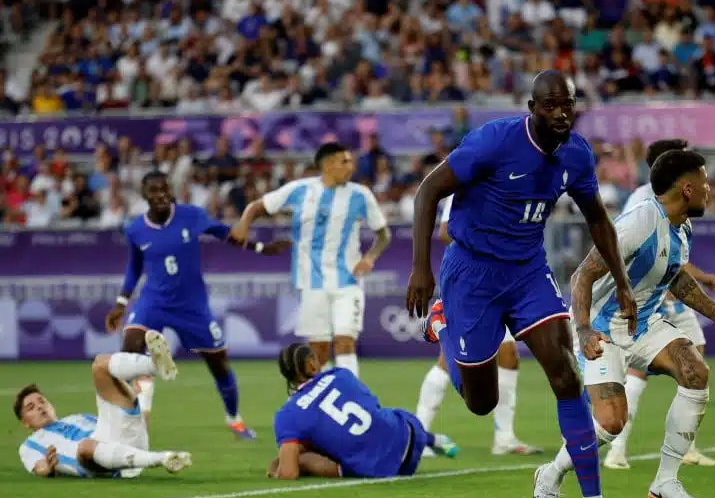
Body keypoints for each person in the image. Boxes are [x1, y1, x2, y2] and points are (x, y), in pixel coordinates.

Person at [406, 70, 637, 498]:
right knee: (480, 401)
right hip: (470, 273)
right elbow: (429, 189)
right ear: (531, 108)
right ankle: (443, 327)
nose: (560, 113)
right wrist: (421, 269)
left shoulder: (576, 153)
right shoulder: (493, 142)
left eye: (567, 104)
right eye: (550, 105)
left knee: (565, 374)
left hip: (528, 272)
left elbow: (598, 219)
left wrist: (622, 281)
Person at [532, 150, 715, 498]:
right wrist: (581, 330)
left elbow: (675, 277)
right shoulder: (642, 220)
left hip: (643, 324)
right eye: (706, 182)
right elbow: (583, 274)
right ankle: (550, 474)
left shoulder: (681, 228)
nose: (710, 190)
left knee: (695, 371)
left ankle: (665, 482)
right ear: (688, 187)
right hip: (603, 327)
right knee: (611, 423)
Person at [105, 171, 290, 440]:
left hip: (192, 306)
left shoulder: (191, 216)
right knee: (130, 352)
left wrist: (262, 248)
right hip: (153, 302)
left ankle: (234, 419)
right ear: (144, 196)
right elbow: (134, 267)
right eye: (154, 191)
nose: (161, 195)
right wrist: (121, 303)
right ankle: (137, 419)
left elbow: (227, 234)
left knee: (219, 363)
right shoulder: (135, 229)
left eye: (165, 189)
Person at [606, 139, 715, 470]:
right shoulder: (643, 203)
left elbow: (676, 257)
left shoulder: (678, 204)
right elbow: (624, 250)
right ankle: (617, 449)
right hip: (646, 296)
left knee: (696, 355)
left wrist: (698, 278)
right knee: (637, 370)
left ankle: (686, 445)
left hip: (669, 289)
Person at [231, 143, 392, 377]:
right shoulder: (299, 190)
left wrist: (370, 257)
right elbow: (257, 207)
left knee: (345, 342)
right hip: (311, 283)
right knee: (319, 350)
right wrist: (243, 225)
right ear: (327, 165)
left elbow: (384, 234)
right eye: (344, 161)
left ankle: (352, 396)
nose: (351, 166)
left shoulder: (360, 195)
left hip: (348, 281)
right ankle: (323, 401)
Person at [415, 194, 542, 457]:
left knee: (508, 357)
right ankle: (420, 435)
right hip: (472, 281)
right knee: (448, 360)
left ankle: (504, 438)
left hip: (501, 281)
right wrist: (491, 246)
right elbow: (445, 231)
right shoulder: (466, 179)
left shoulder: (509, 181)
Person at [16, 330, 192, 478]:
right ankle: (163, 458)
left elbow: (130, 427)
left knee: (100, 364)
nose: (40, 407)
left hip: (123, 448)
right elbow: (39, 467)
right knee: (85, 446)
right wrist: (47, 469)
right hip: (95, 463)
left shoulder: (79, 418)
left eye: (41, 401)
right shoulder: (29, 445)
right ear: (25, 422)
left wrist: (143, 403)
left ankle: (156, 366)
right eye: (31, 407)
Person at [269, 343, 458, 479]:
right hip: (408, 434)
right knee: (380, 417)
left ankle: (432, 440)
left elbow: (289, 473)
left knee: (305, 457)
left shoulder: (287, 416)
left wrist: (282, 464)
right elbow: (370, 406)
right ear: (311, 364)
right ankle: (431, 439)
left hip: (382, 468)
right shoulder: (340, 374)